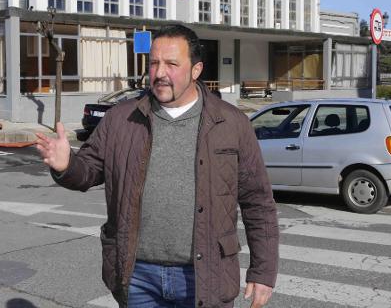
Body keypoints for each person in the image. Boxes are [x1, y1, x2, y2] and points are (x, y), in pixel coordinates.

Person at [36, 24, 279, 308]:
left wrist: (263, 271)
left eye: (172, 64)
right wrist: (66, 165)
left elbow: (258, 202)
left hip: (204, 275)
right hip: (137, 275)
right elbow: (87, 172)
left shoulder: (231, 122)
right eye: (154, 63)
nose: (160, 73)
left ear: (196, 70)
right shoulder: (121, 119)